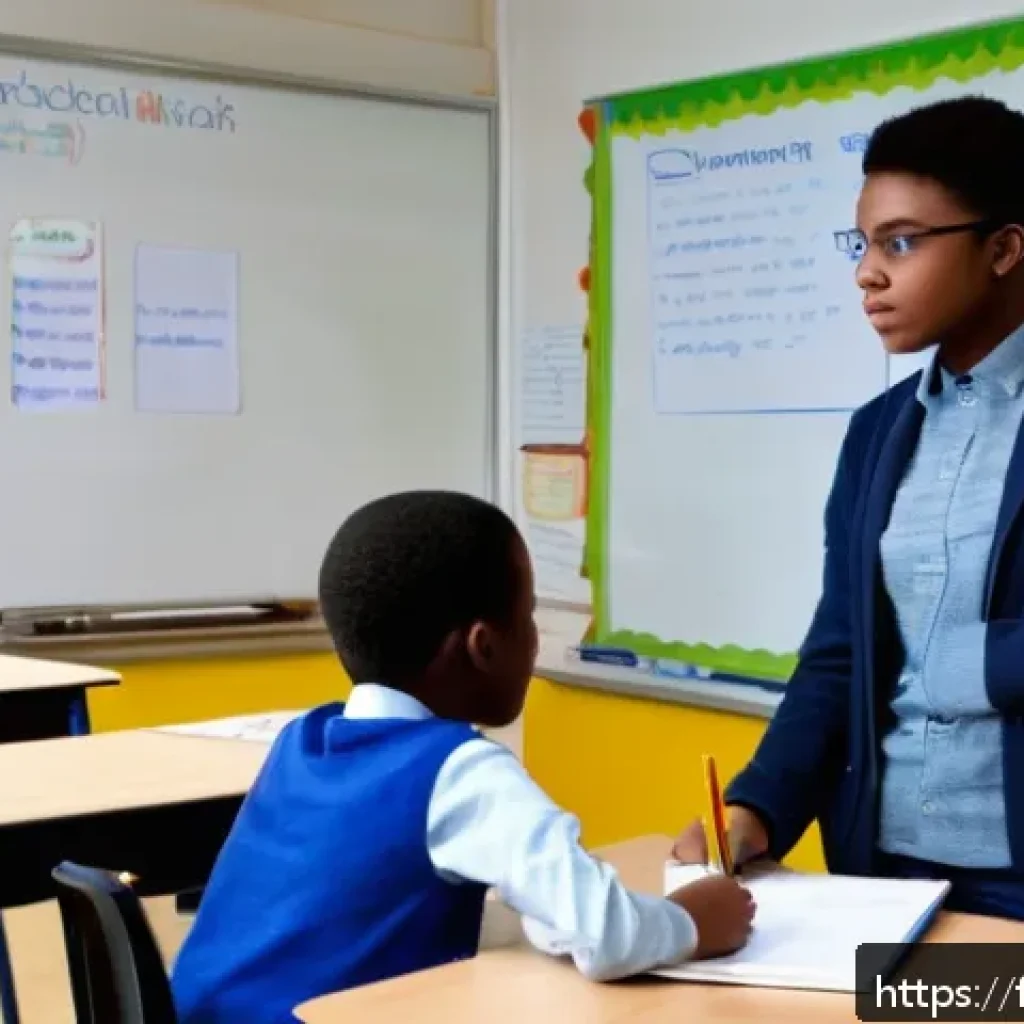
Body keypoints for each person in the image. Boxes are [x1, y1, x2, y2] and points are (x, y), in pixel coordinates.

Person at [172, 491, 754, 1023]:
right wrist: (696, 920)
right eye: (528, 617)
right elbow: (606, 936)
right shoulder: (460, 773)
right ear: (483, 646)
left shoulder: (300, 742)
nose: (535, 639)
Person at [673, 95, 1024, 919]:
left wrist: (962, 664)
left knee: (976, 1013)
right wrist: (755, 812)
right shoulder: (878, 434)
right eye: (862, 243)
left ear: (1005, 248)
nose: (868, 272)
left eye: (901, 243)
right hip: (887, 869)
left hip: (1014, 877)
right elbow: (841, 654)